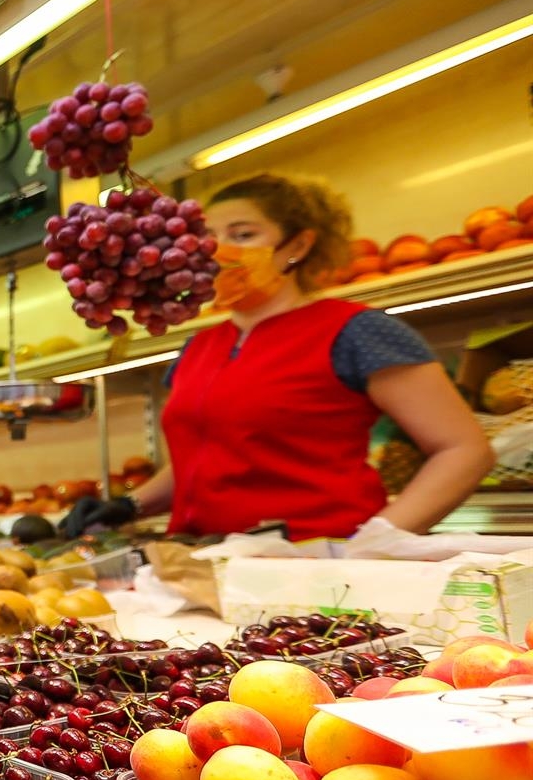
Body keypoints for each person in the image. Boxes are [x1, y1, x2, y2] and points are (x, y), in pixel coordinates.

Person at [62, 174, 492, 542]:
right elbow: (206, 461)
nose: (220, 250)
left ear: (299, 244)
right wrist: (128, 506)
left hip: (314, 572)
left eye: (243, 235)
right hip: (200, 563)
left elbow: (463, 450)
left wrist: (370, 545)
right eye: (209, 238)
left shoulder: (356, 332)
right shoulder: (200, 347)